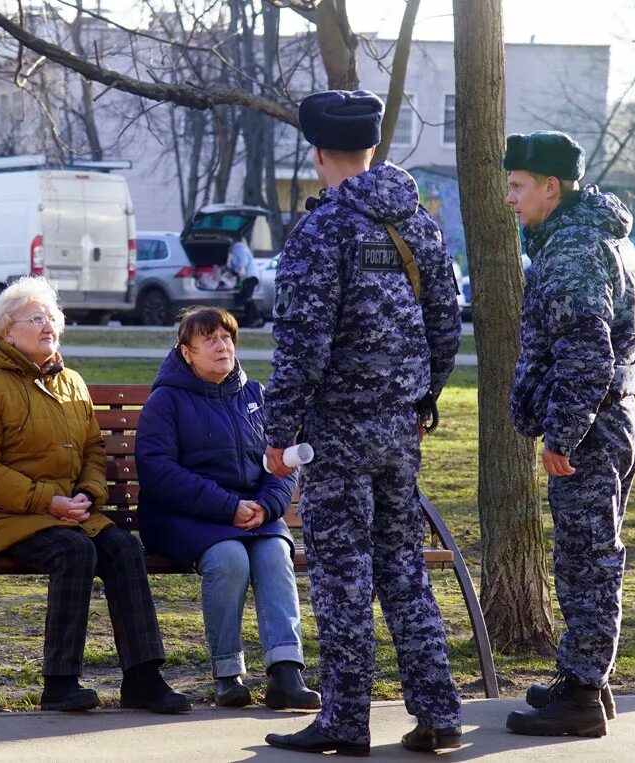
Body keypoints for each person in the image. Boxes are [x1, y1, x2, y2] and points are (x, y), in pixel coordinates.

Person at [261, 90, 464, 756]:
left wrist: (278, 433)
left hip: (335, 433)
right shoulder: (420, 225)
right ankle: (438, 709)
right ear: (372, 148)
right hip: (400, 430)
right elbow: (445, 326)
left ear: (318, 153)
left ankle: (345, 717)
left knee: (343, 571)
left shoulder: (323, 231)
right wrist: (420, 400)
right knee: (404, 567)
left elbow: (302, 344)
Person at [0, 276, 190, 715]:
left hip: (65, 512)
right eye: (36, 318)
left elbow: (93, 451)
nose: (49, 326)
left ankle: (143, 679)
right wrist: (48, 501)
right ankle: (60, 683)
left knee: (122, 548)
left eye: (52, 318)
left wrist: (87, 493)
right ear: (6, 331)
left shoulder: (72, 383)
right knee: (75, 551)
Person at [502, 131, 635, 738]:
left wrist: (561, 436)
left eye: (517, 186)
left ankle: (583, 696)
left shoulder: (573, 251)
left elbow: (587, 353)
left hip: (588, 428)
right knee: (592, 552)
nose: (510, 198)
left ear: (550, 188)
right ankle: (587, 676)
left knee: (586, 558)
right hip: (612, 418)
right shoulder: (603, 239)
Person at [135, 307, 320, 710]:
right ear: (187, 353)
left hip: (253, 513)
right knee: (229, 558)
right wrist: (228, 507)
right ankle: (227, 674)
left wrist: (269, 506)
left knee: (275, 552)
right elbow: (158, 471)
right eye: (210, 340)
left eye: (227, 337)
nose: (222, 346)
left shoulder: (256, 395)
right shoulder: (166, 400)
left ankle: (286, 673)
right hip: (183, 515)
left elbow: (282, 460)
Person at [227, 236, 264, 327]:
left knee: (247, 298)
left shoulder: (238, 247)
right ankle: (254, 320)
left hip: (249, 277)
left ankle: (256, 319)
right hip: (250, 277)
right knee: (246, 298)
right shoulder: (238, 248)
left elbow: (243, 261)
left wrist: (241, 269)